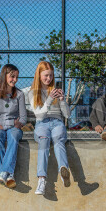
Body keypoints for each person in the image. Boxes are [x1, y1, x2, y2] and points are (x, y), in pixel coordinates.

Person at [25, 61, 71, 196]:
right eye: (46, 76)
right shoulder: (33, 92)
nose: (49, 79)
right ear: (39, 75)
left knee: (58, 140)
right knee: (44, 142)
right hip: (42, 123)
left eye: (51, 76)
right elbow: (39, 115)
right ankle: (42, 180)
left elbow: (67, 114)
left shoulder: (56, 91)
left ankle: (64, 172)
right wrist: (50, 99)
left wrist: (62, 100)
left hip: (57, 122)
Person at [0, 64, 27, 189]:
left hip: (14, 128)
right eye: (12, 76)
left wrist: (10, 125)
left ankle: (3, 173)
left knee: (14, 135)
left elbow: (23, 119)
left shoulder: (20, 95)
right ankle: (10, 175)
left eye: (16, 77)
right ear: (4, 76)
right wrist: (9, 124)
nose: (15, 80)